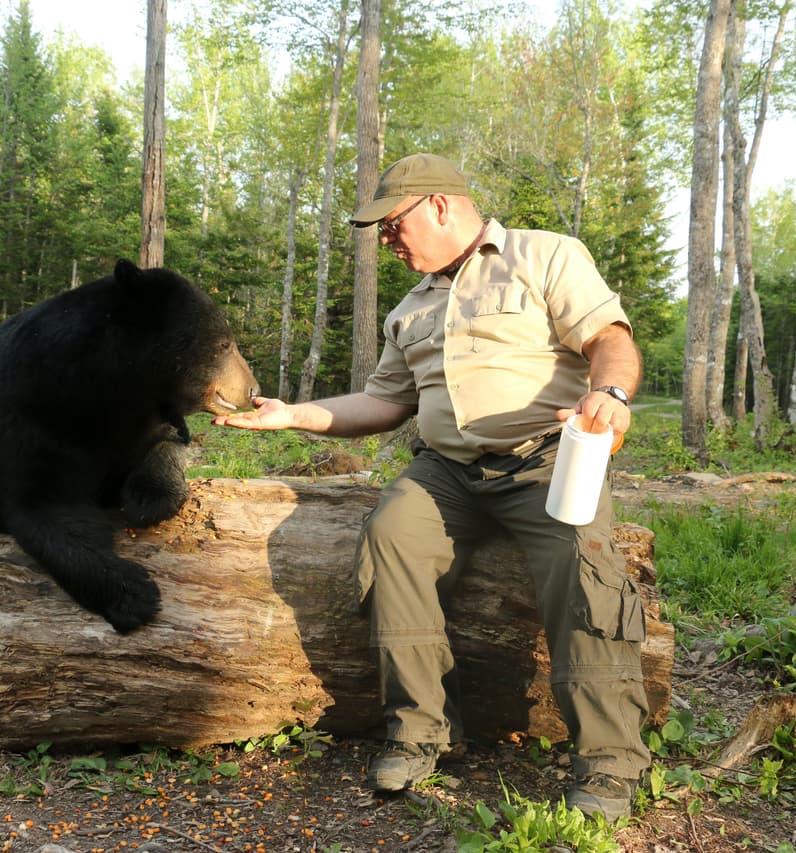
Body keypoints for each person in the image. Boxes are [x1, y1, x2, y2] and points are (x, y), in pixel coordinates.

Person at [214, 152, 650, 822]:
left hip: (547, 459)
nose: (386, 242)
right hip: (448, 470)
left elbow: (610, 340)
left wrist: (610, 395)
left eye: (391, 226)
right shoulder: (409, 310)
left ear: (439, 205)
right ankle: (423, 729)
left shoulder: (544, 256)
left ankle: (611, 765)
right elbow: (383, 403)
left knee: (583, 568)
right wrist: (293, 414)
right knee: (392, 534)